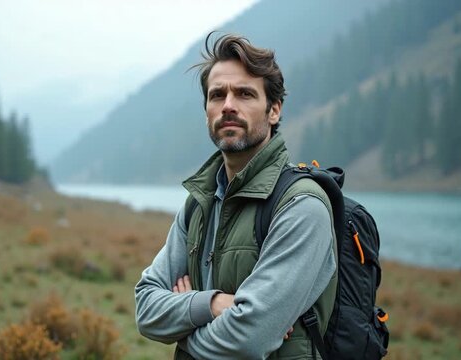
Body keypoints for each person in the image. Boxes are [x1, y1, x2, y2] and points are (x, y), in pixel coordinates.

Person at [135, 33, 337, 359]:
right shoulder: (197, 205)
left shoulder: (301, 206)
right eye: (217, 95)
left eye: (244, 94)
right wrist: (214, 304)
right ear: (206, 112)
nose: (228, 105)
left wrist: (185, 334)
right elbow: (146, 308)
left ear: (274, 110)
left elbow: (249, 339)